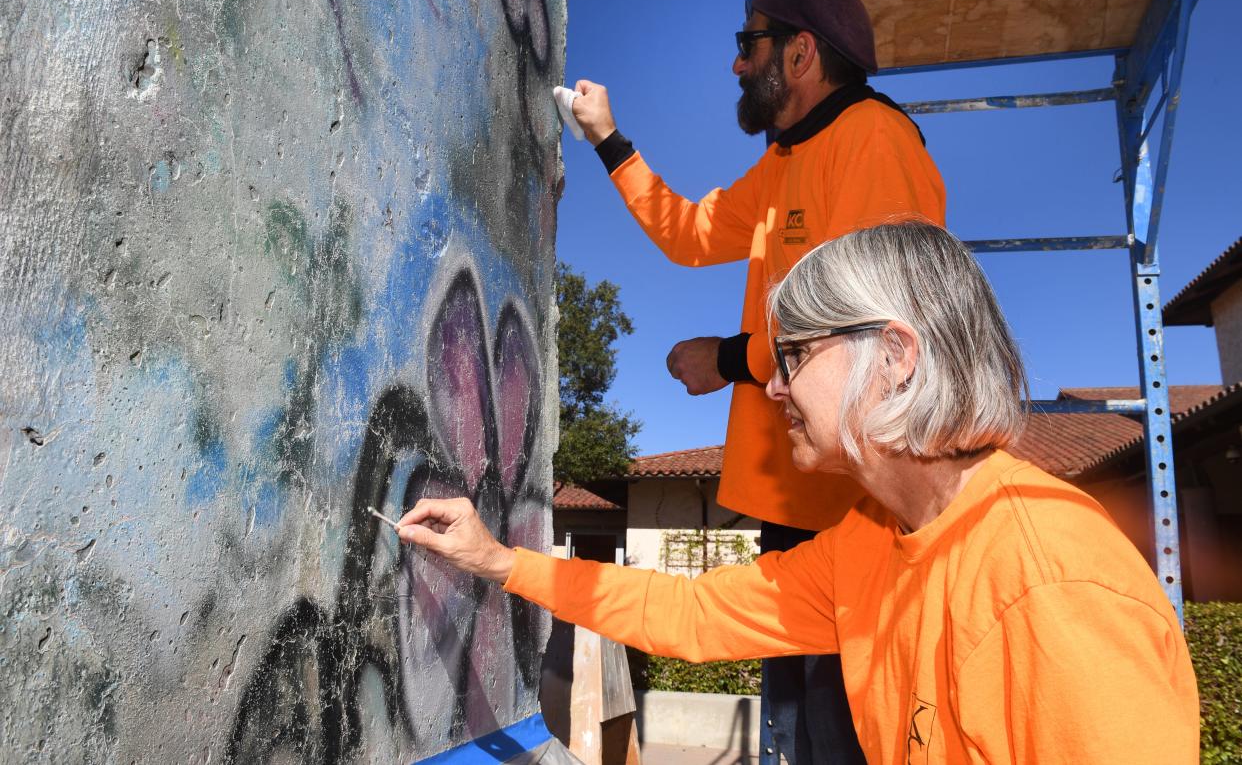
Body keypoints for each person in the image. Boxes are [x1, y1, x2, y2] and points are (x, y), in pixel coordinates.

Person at [397, 222, 1200, 764]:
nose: (775, 390)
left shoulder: (1050, 586)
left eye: (795, 357)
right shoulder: (874, 538)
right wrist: (501, 563)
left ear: (895, 357)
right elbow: (695, 613)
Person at [570, 0, 945, 762]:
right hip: (797, 504)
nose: (739, 64)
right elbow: (689, 232)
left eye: (750, 44)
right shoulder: (782, 165)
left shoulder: (875, 140)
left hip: (857, 510)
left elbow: (880, 322)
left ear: (802, 54)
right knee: (796, 742)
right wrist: (609, 138)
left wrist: (729, 359)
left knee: (841, 742)